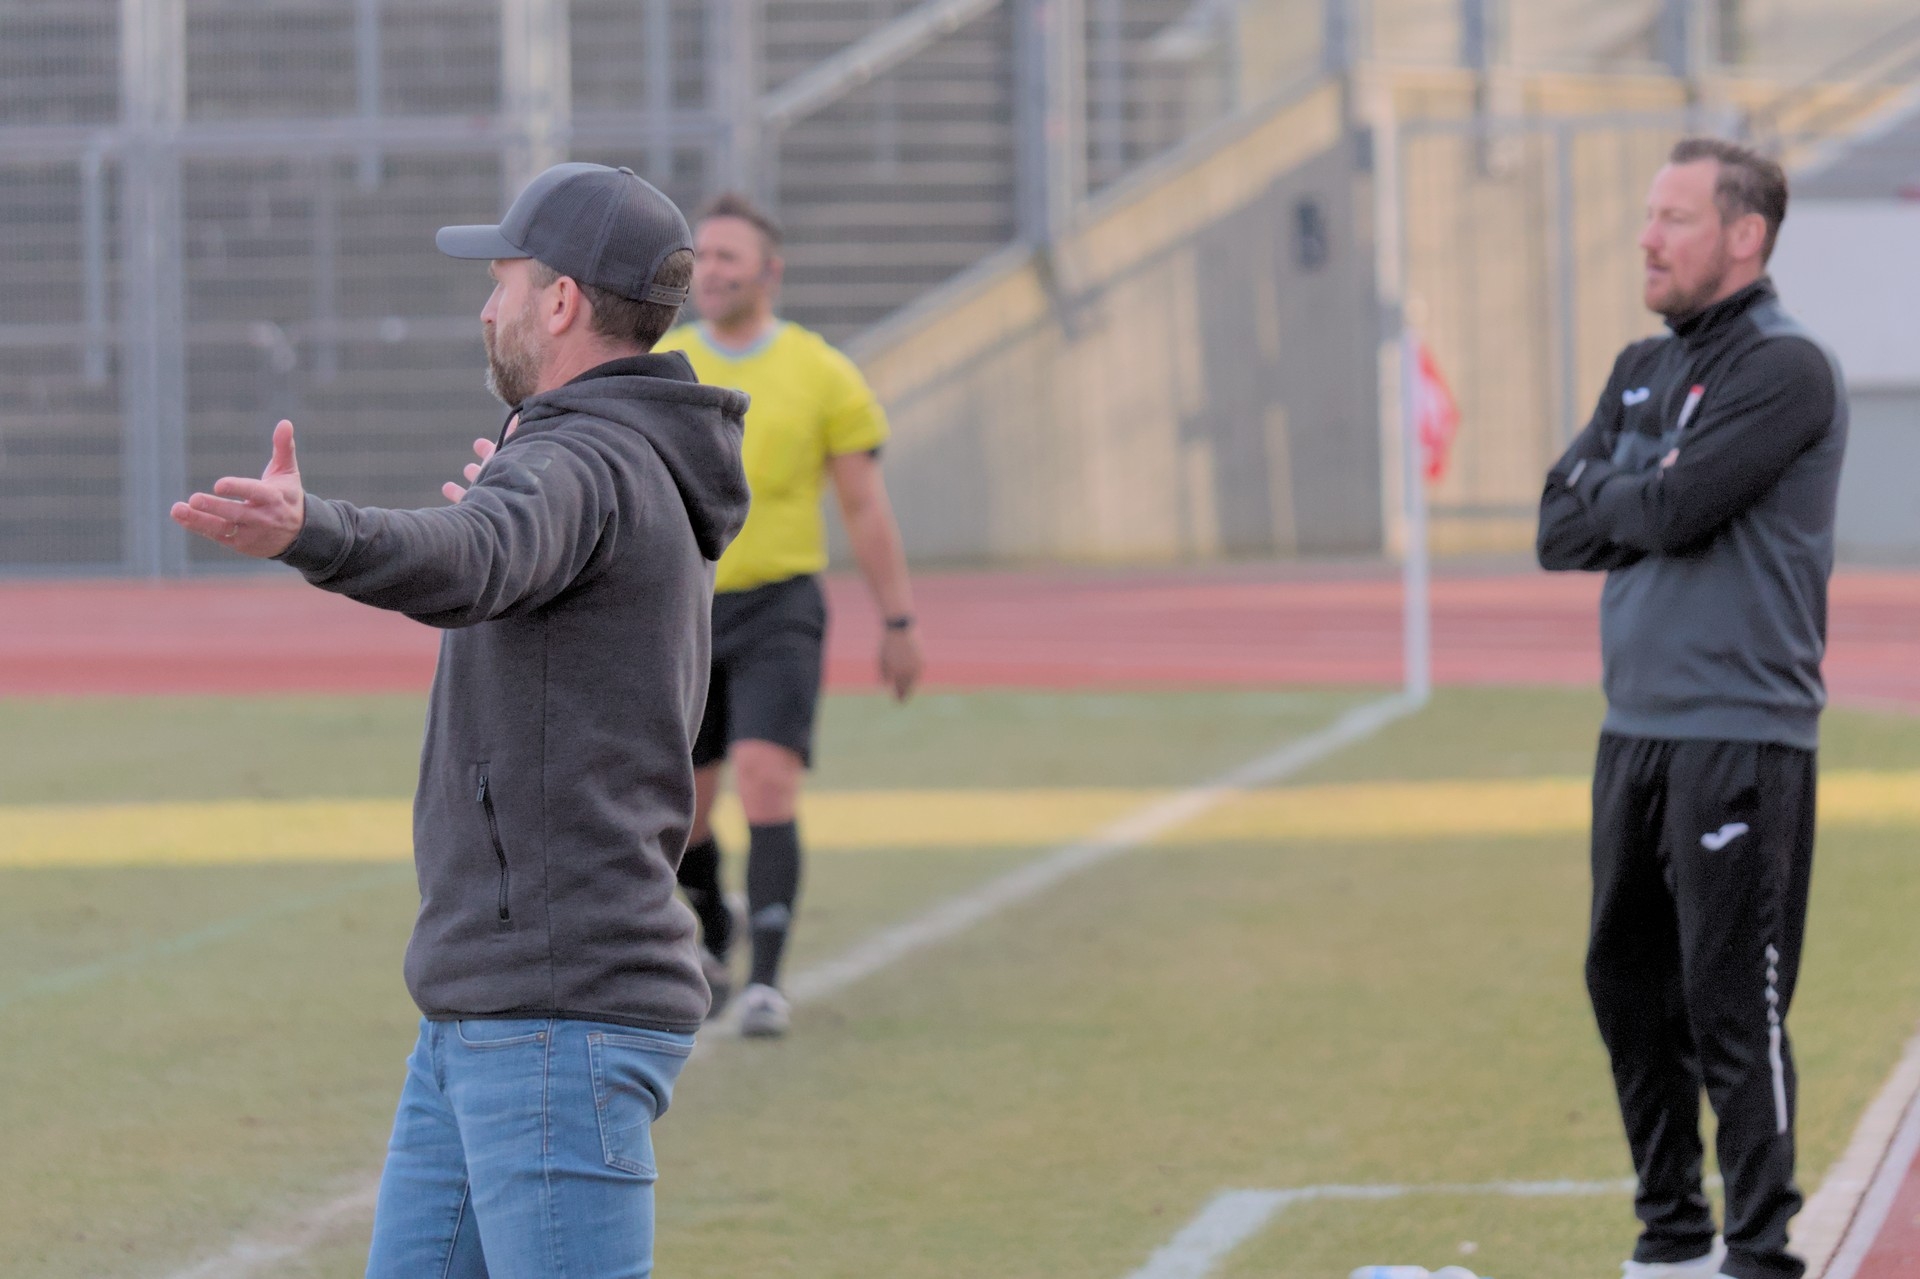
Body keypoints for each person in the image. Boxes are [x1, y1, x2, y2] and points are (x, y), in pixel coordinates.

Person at [171, 162, 750, 1279]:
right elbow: (502, 545)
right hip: (490, 1005)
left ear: (561, 301)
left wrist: (312, 529)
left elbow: (473, 555)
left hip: (554, 1010)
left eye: (502, 281)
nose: (488, 308)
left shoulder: (584, 459)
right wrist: (514, 495)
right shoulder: (592, 457)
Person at [1536, 137, 1846, 1279]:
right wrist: (1641, 487)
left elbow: (1671, 512)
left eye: (1674, 218)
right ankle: (1671, 1240)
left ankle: (1759, 1254)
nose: (1647, 238)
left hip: (1741, 734)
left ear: (1744, 235)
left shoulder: (1786, 367)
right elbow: (1556, 528)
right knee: (1623, 984)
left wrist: (1622, 487)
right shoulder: (1640, 366)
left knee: (1730, 1004)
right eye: (1649, 215)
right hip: (1636, 729)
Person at [655, 192, 923, 1037]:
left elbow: (865, 506)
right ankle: (716, 929)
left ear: (770, 272)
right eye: (701, 256)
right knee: (682, 807)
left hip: (780, 606)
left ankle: (765, 981)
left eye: (728, 257)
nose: (711, 271)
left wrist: (899, 622)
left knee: (767, 776)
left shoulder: (821, 372)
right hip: (684, 612)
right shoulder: (664, 366)